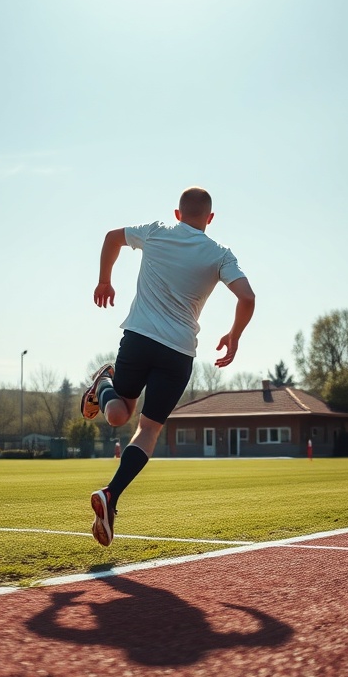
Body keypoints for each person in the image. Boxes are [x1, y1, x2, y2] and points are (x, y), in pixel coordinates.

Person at [81, 186, 256, 546]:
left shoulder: (158, 231)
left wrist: (104, 280)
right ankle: (111, 494)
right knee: (147, 431)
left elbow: (112, 237)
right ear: (210, 219)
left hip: (139, 339)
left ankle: (103, 383)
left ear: (178, 214)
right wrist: (234, 334)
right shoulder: (220, 255)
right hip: (177, 353)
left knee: (117, 415)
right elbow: (248, 297)